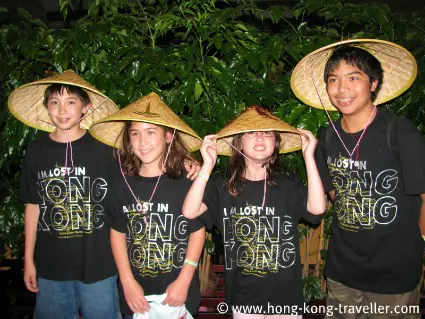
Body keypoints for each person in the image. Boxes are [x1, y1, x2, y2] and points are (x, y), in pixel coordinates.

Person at [291, 39, 425, 318]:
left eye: (354, 77)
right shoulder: (326, 138)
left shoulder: (399, 131)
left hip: (394, 278)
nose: (342, 89)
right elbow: (335, 196)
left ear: (373, 83)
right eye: (333, 79)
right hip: (342, 272)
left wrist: (417, 244)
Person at [182, 105, 327, 318]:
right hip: (243, 298)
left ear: (275, 143)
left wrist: (308, 158)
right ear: (238, 142)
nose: (260, 137)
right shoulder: (222, 185)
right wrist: (207, 166)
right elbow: (189, 211)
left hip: (286, 297)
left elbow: (317, 209)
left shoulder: (287, 181)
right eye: (251, 132)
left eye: (267, 132)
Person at [9, 70, 122, 318]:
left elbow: (135, 182)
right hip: (51, 266)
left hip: (99, 265)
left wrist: (189, 165)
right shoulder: (37, 150)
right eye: (54, 102)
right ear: (47, 108)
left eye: (71, 102)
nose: (62, 110)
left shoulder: (105, 150)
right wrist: (29, 259)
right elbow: (32, 206)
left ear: (86, 107)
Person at [89, 92, 206, 319]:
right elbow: (117, 232)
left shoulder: (185, 181)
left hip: (178, 291)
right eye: (135, 133)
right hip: (136, 294)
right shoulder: (121, 183)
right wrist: (127, 281)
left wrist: (184, 280)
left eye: (151, 132)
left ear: (169, 136)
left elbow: (198, 231)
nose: (143, 141)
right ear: (128, 141)